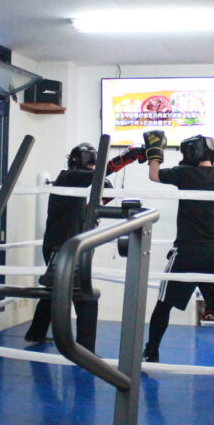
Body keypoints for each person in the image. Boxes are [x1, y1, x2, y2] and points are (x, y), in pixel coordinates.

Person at [141, 131, 214, 367]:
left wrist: (155, 152)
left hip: (186, 252)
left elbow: (153, 175)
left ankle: (152, 353)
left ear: (191, 153)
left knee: (164, 304)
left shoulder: (184, 174)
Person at [25, 142, 145, 351]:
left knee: (55, 291)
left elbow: (97, 198)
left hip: (66, 247)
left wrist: (102, 198)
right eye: (89, 162)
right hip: (62, 249)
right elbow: (99, 175)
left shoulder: (77, 189)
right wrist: (129, 156)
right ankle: (85, 350)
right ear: (76, 161)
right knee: (86, 297)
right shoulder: (68, 178)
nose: (91, 166)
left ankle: (35, 332)